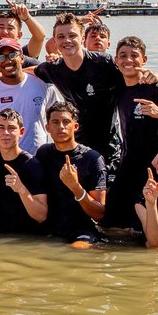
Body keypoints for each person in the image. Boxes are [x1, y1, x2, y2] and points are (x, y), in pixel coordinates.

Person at [33, 13, 127, 166]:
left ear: (82, 38)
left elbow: (131, 77)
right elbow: (29, 71)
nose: (67, 40)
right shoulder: (54, 68)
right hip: (76, 148)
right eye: (61, 37)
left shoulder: (103, 63)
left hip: (109, 149)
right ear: (55, 41)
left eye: (72, 35)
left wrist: (150, 74)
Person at [105, 36, 158, 228]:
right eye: (123, 56)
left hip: (152, 163)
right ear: (116, 60)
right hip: (127, 161)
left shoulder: (156, 90)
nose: (128, 60)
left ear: (144, 60)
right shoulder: (118, 87)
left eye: (134, 56)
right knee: (112, 220)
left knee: (145, 220)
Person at [35, 101, 108, 247]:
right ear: (47, 127)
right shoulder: (43, 153)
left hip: (82, 229)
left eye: (66, 122)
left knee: (77, 249)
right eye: (55, 122)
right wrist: (1, 149)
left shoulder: (92, 158)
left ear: (75, 127)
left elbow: (99, 213)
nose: (61, 127)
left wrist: (75, 187)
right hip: (50, 227)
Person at [0, 38, 57, 154]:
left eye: (12, 55)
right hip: (3, 159)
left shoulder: (42, 84)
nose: (7, 61)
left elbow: (58, 119)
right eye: (1, 57)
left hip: (38, 159)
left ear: (22, 58)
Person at [0, 108, 48, 234]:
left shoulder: (31, 164)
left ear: (21, 132)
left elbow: (41, 216)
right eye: (1, 127)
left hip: (25, 233)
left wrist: (21, 189)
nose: (6, 133)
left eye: (11, 128)